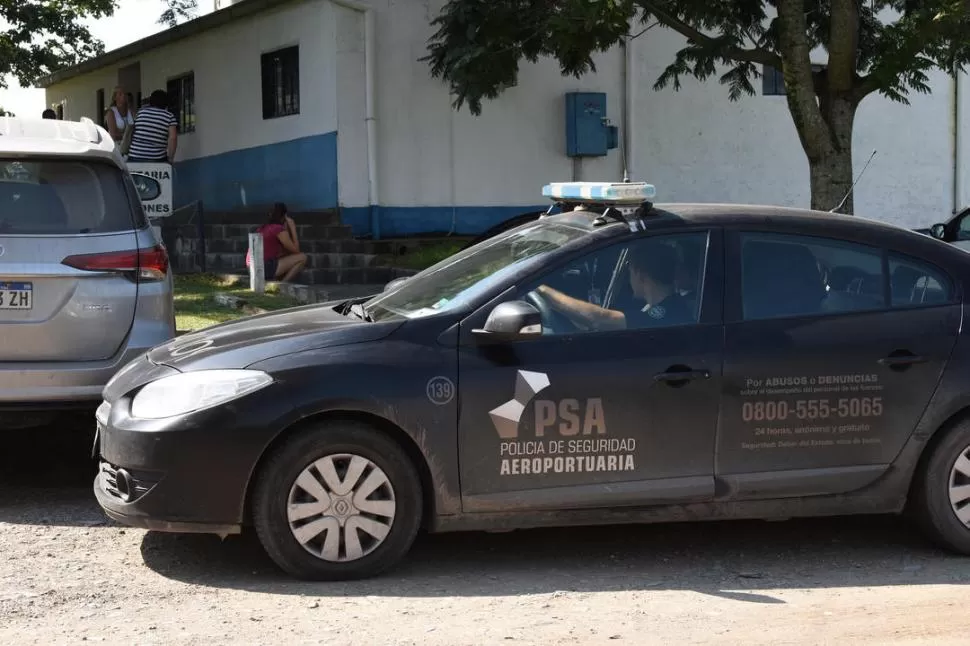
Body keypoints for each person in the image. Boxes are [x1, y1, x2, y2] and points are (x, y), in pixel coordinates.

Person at [534, 240, 693, 331]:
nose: (627, 278)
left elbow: (599, 319)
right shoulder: (662, 306)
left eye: (628, 271)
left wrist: (539, 287)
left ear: (640, 274)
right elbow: (591, 321)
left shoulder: (666, 314)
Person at [245, 202, 307, 283]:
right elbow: (296, 251)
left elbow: (284, 251)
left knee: (284, 254)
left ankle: (277, 281)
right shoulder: (278, 229)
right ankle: (282, 284)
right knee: (302, 257)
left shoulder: (263, 228)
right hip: (262, 268)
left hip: (250, 267)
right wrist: (292, 228)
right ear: (284, 217)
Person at [127, 89, 177, 163]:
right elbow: (173, 138)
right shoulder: (169, 116)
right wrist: (170, 158)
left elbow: (133, 131)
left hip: (135, 156)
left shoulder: (140, 113)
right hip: (156, 159)